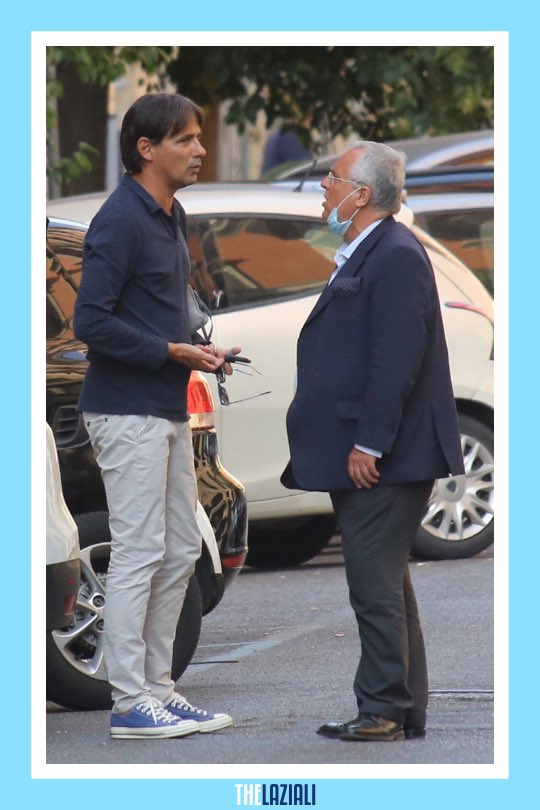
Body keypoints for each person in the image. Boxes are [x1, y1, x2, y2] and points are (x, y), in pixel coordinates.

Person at [281, 141, 464, 742]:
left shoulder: (396, 254)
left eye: (333, 179)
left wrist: (371, 444)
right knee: (387, 583)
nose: (324, 188)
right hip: (375, 451)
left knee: (374, 585)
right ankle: (400, 708)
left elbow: (396, 360)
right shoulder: (370, 248)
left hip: (387, 457)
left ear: (361, 194)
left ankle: (382, 710)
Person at [74, 93, 239, 740]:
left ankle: (158, 691)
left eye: (199, 137)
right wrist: (169, 351)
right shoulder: (119, 220)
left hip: (164, 405)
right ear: (146, 149)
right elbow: (91, 323)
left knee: (179, 551)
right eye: (186, 139)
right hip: (125, 411)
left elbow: (160, 312)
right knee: (141, 552)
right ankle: (128, 703)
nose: (200, 149)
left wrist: (201, 348)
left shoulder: (172, 212)